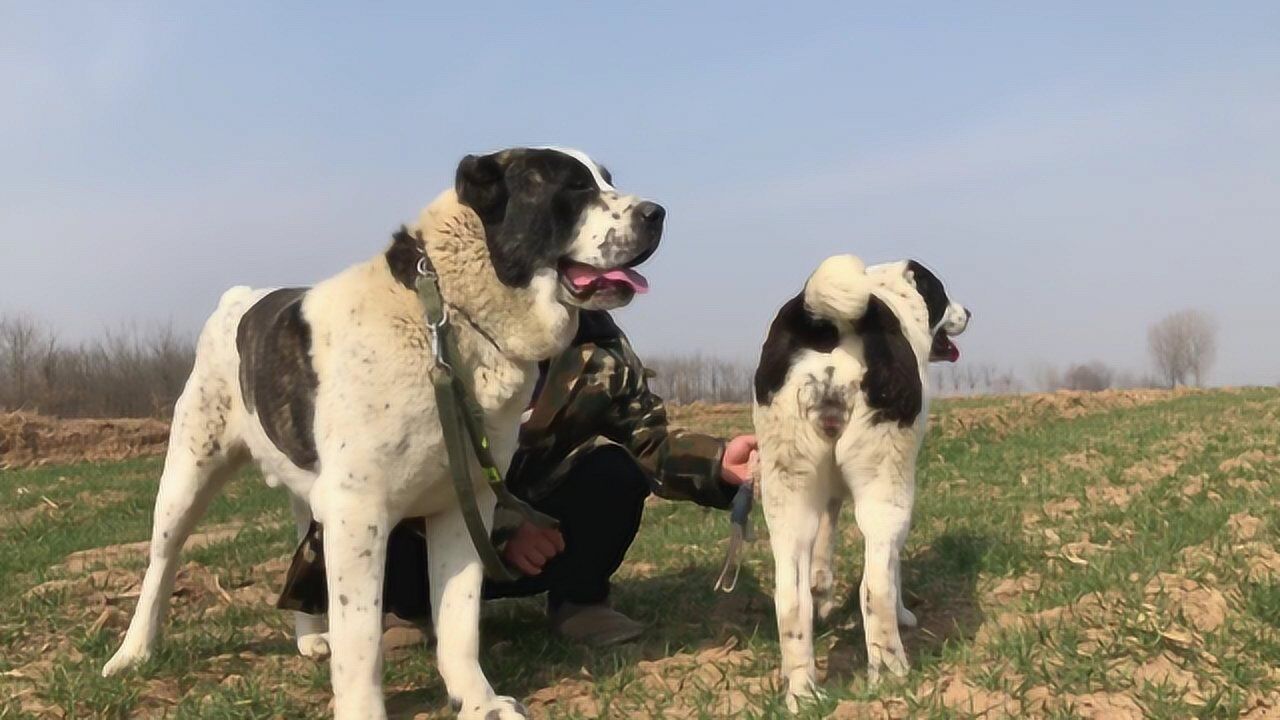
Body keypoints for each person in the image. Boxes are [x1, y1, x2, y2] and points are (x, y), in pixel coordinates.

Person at [278, 310, 757, 647]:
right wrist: (503, 527)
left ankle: (581, 602)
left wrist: (718, 463)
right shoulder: (428, 336)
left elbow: (648, 438)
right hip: (423, 538)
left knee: (613, 472)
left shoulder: (595, 347)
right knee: (395, 485)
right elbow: (390, 467)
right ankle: (406, 610)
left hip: (539, 546)